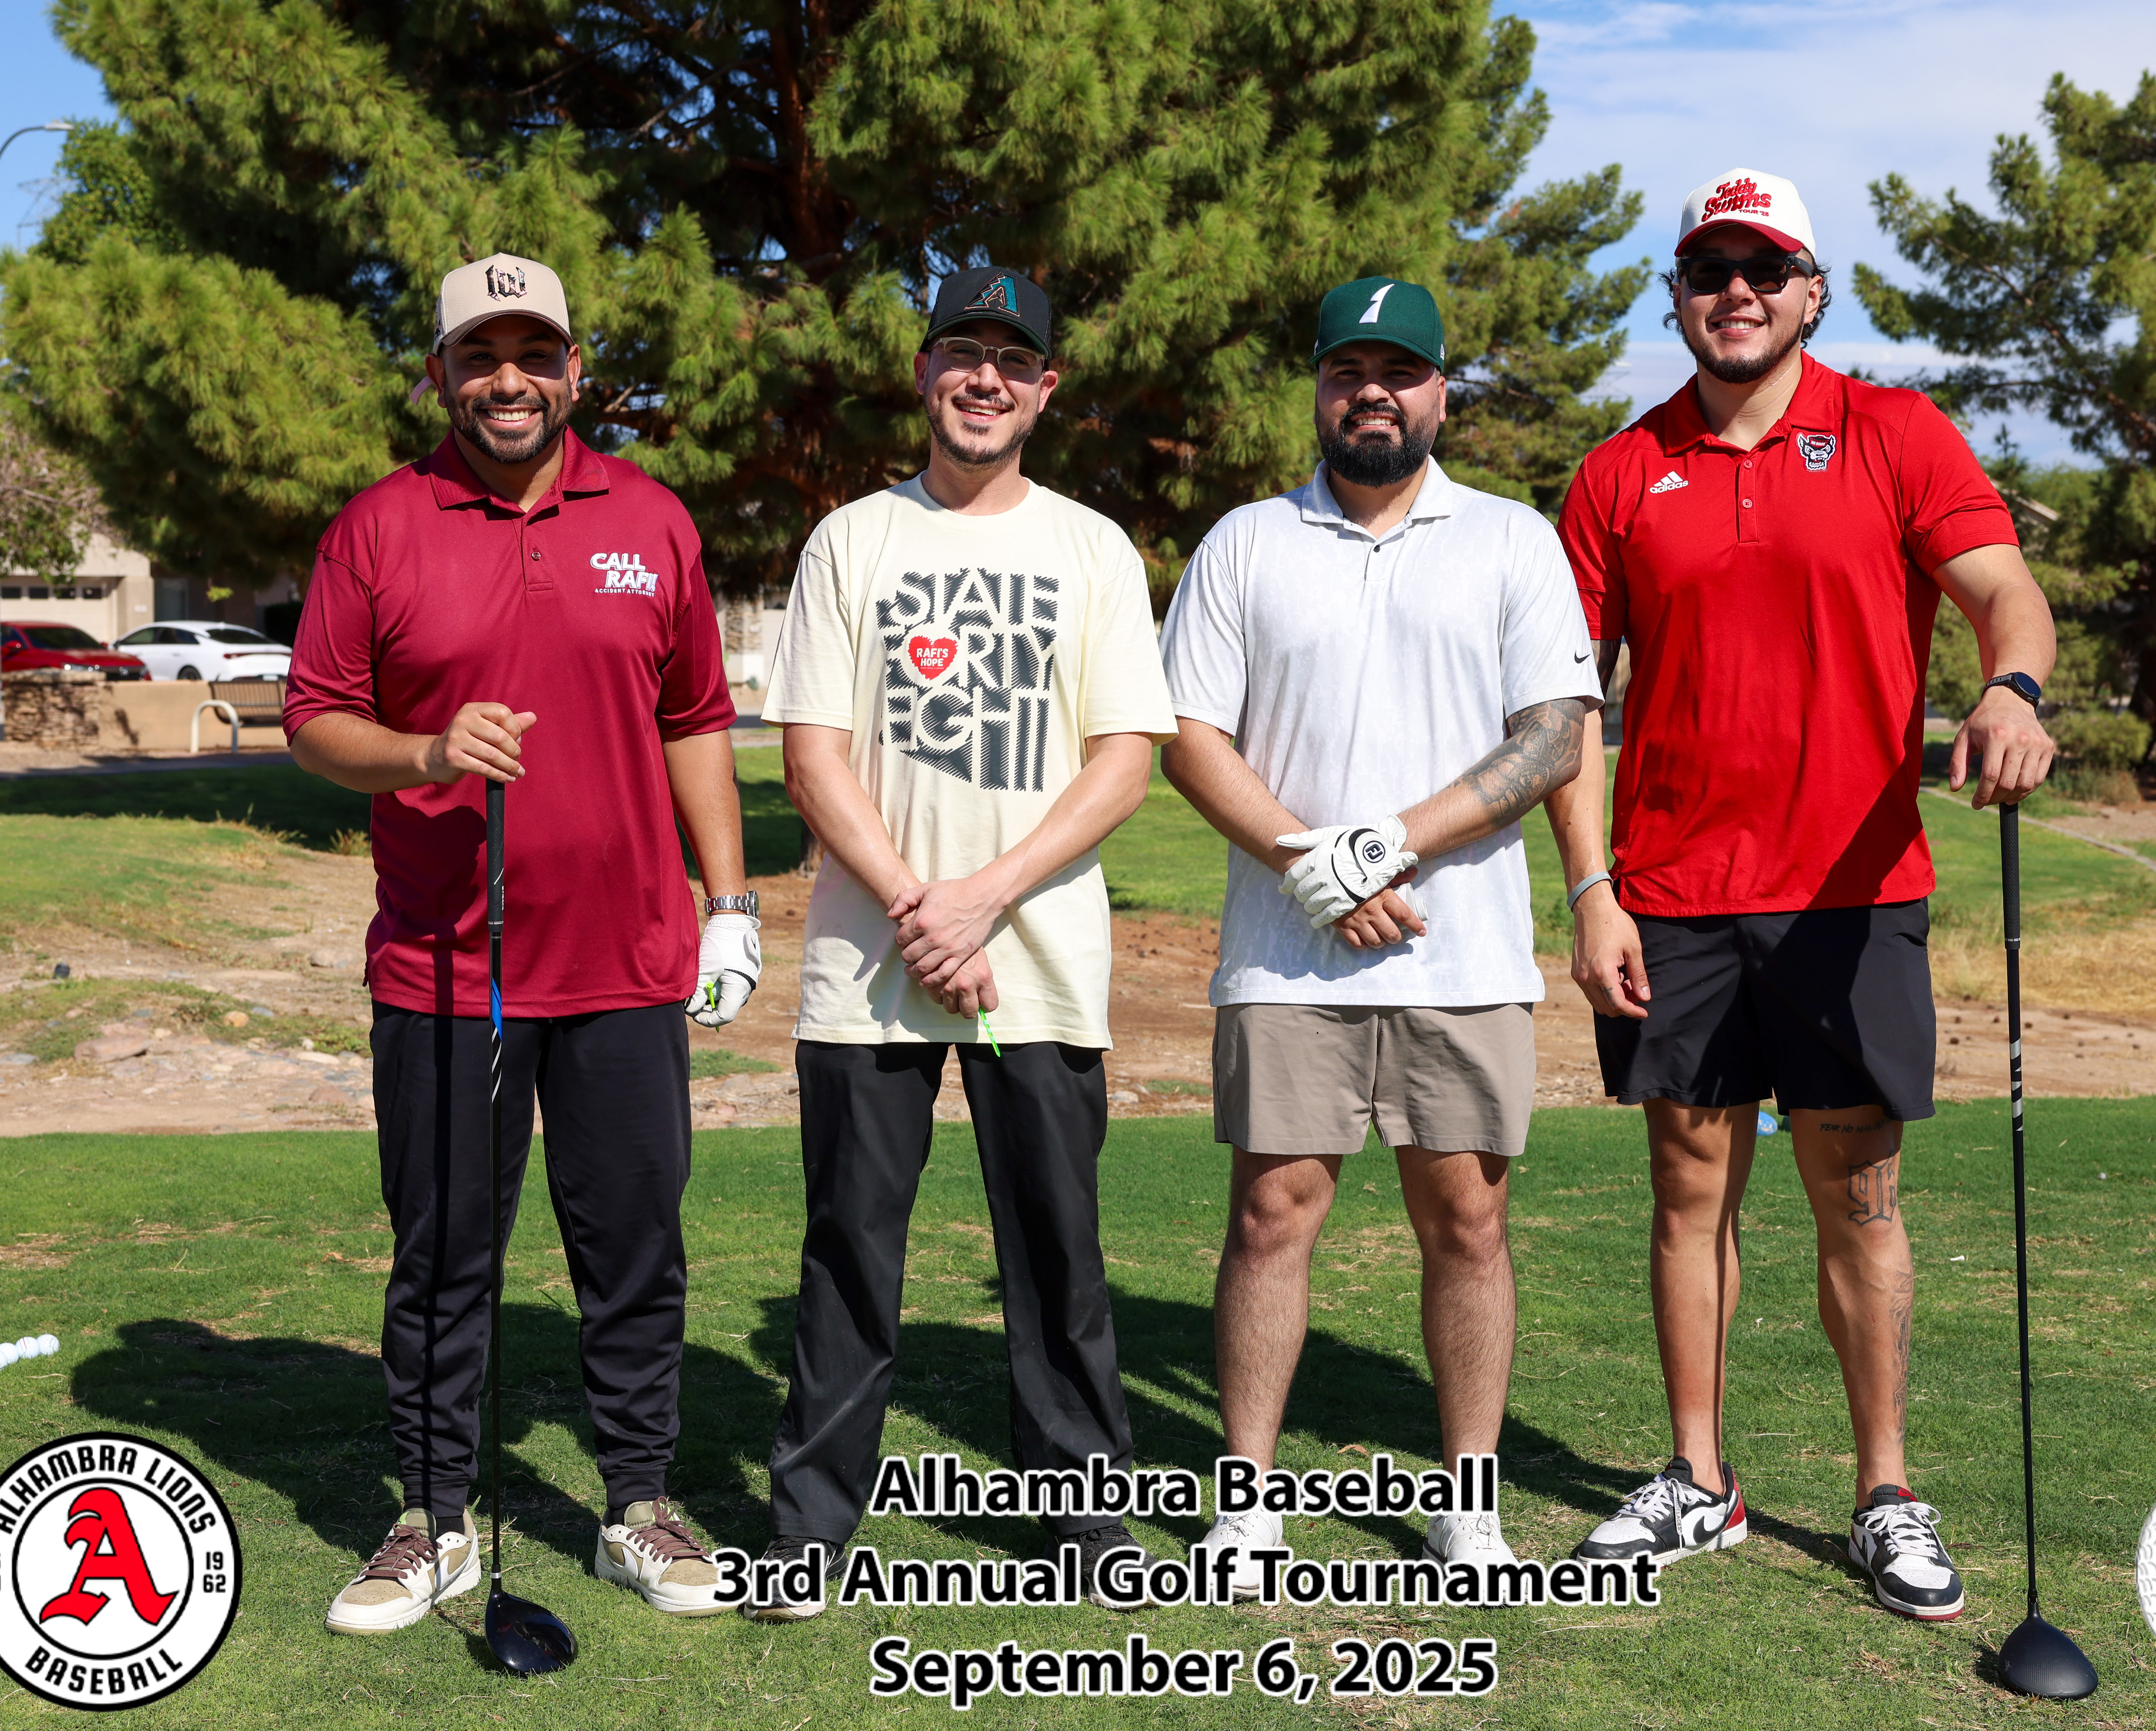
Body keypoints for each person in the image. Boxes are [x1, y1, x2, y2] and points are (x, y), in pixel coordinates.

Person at [1545, 169, 2059, 1622]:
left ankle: (1885, 1490)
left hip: (1852, 892)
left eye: (1765, 269)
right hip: (1673, 895)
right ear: (1678, 295)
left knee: (1859, 1198)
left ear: (1813, 293)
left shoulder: (1893, 433)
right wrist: (1589, 888)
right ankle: (1699, 1478)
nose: (1738, 293)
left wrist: (2012, 688)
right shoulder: (1618, 472)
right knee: (1687, 1189)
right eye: (1711, 270)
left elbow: (2005, 591)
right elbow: (1569, 703)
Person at [286, 253, 760, 1634]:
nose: (509, 380)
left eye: (534, 354)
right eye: (479, 356)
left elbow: (697, 720)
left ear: (574, 371)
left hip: (626, 963)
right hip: (448, 968)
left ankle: (638, 1505)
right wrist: (427, 749)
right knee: (443, 1257)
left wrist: (731, 903)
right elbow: (315, 719)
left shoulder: (652, 520)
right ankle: (434, 1519)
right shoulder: (379, 526)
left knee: (635, 1250)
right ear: (439, 375)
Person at [750, 265, 1177, 1619]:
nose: (984, 378)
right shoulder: (852, 541)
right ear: (924, 372)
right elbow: (812, 758)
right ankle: (809, 1529)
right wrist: (921, 909)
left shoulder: (1094, 550)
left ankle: (1081, 1522)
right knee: (848, 1251)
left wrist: (983, 896)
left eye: (1013, 359)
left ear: (1046, 389)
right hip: (867, 970)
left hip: (1036, 963)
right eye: (961, 352)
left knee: (1057, 1256)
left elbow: (1124, 761)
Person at [1160, 276, 1600, 1584]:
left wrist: (1387, 841)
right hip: (1287, 950)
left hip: (1462, 952)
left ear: (1440, 392)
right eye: (1350, 370)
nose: (1374, 394)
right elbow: (1190, 734)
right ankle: (1247, 1501)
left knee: (1469, 1220)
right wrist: (1314, 863)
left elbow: (1555, 735)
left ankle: (1469, 1501)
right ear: (1318, 386)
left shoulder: (1512, 540)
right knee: (1270, 1215)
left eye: (1400, 373)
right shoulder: (1247, 542)